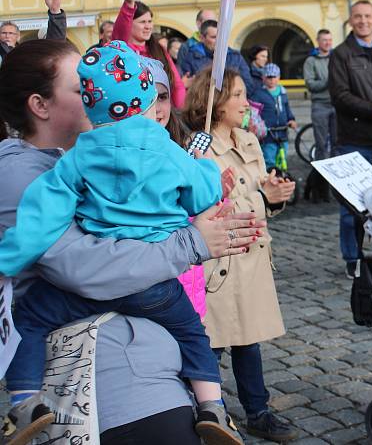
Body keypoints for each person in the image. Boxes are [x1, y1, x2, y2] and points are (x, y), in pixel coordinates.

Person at [0, 39, 262, 444]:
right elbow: (87, 269)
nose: (92, 95)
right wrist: (192, 238)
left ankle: (22, 399)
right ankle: (214, 406)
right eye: (80, 87)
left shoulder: (75, 159)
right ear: (41, 105)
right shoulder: (24, 171)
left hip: (148, 373)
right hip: (115, 390)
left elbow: (44, 226)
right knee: (194, 335)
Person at [183, 67, 298, 442]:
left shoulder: (248, 139)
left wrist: (274, 193)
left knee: (249, 339)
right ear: (215, 104)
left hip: (251, 256)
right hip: (219, 261)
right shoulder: (199, 149)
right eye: (236, 95)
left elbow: (257, 194)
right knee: (211, 344)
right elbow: (211, 209)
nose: (245, 101)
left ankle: (257, 411)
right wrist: (262, 199)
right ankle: (201, 412)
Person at [328, 0, 372, 278]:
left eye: (368, 16)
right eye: (358, 17)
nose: (363, 21)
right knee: (351, 207)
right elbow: (340, 96)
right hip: (355, 138)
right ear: (351, 20)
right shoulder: (341, 54)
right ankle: (352, 257)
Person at [111, 0, 187, 108]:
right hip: (136, 111)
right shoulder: (123, 49)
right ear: (130, 24)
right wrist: (129, 5)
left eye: (150, 21)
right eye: (142, 22)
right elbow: (119, 32)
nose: (148, 26)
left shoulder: (158, 48)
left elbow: (177, 83)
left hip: (163, 112)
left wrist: (180, 110)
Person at [180, 20, 261, 96]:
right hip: (204, 107)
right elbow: (186, 89)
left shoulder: (235, 56)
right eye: (214, 37)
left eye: (221, 36)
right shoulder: (190, 57)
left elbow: (249, 87)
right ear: (202, 38)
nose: (219, 40)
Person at [0, 0, 66, 65]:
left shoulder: (26, 52)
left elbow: (54, 48)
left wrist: (55, 11)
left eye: (11, 33)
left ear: (18, 36)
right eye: (4, 33)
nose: (7, 36)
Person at [251, 63, 297, 169]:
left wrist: (291, 119)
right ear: (263, 78)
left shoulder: (283, 92)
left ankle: (281, 175)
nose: (272, 80)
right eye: (269, 77)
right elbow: (253, 114)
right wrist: (257, 126)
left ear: (279, 77)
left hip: (283, 132)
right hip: (268, 134)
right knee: (269, 159)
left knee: (282, 157)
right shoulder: (258, 94)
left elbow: (287, 109)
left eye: (274, 77)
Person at [304, 29, 336, 159]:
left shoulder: (336, 58)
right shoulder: (311, 61)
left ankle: (338, 174)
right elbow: (310, 85)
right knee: (321, 144)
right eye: (324, 40)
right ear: (318, 41)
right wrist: (329, 81)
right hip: (320, 105)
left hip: (337, 104)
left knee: (337, 143)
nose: (327, 43)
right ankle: (321, 176)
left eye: (329, 40)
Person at [177, 8, 218, 74]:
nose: (213, 26)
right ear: (198, 23)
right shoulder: (186, 46)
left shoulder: (221, 45)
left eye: (215, 22)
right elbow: (181, 74)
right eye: (209, 22)